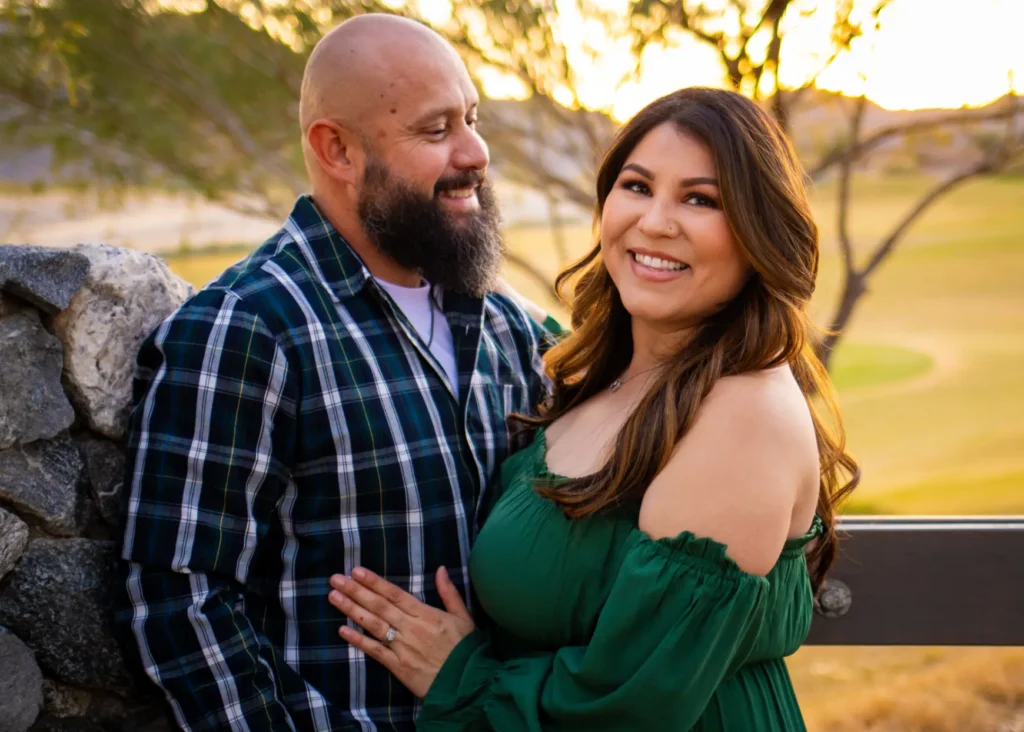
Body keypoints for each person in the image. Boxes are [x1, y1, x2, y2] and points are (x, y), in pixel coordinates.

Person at [326, 86, 860, 730]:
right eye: (637, 187)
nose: (656, 222)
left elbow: (630, 709)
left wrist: (464, 676)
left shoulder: (744, 413)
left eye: (701, 199)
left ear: (758, 232)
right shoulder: (605, 375)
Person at [117, 14, 558, 731]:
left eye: (472, 119)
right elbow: (179, 604)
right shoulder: (248, 329)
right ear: (337, 150)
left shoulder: (502, 325)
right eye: (435, 128)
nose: (475, 152)